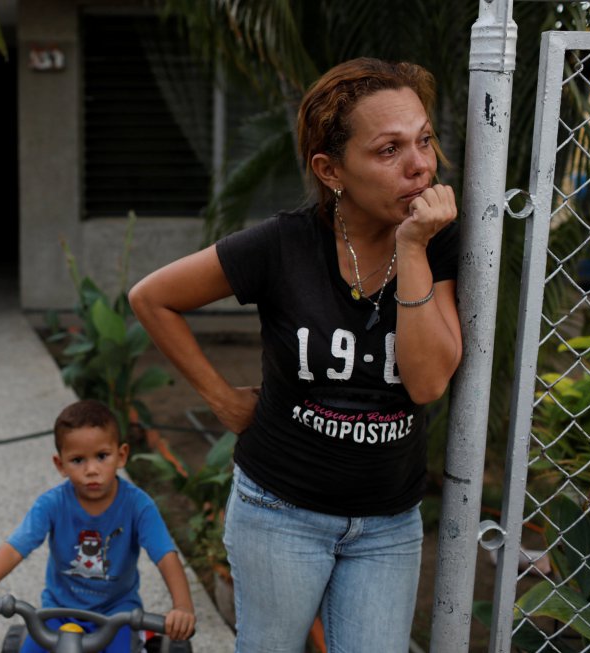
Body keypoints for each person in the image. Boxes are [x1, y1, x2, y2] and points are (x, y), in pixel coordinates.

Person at [129, 57, 462, 652]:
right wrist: (223, 401)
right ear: (330, 169)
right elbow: (152, 298)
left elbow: (428, 381)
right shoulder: (282, 245)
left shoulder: (438, 240)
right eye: (388, 150)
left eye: (424, 141)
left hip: (388, 522)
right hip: (280, 513)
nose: (419, 166)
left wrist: (413, 247)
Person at [0, 399, 196, 652]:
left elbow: (165, 556)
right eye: (78, 460)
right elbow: (15, 548)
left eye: (102, 456)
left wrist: (182, 607)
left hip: (117, 613)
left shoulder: (138, 506)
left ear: (121, 455)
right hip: (58, 610)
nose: (92, 469)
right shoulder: (51, 505)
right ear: (61, 465)